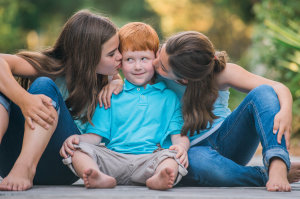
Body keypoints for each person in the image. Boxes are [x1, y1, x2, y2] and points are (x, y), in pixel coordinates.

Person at [150, 31, 300, 192]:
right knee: (197, 160)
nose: (154, 63)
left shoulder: (220, 72)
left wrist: (285, 111)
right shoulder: (153, 73)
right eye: (159, 52)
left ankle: (277, 163)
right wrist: (117, 80)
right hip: (189, 153)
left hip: (228, 141)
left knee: (263, 92)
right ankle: (263, 175)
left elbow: (278, 87)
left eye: (163, 67)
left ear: (185, 80)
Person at [0, 9, 123, 191]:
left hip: (64, 163)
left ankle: (25, 167)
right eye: (112, 54)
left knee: (43, 86)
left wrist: (117, 80)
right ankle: (22, 166)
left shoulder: (108, 79)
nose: (120, 56)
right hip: (10, 158)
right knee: (9, 90)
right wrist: (24, 100)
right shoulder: (51, 66)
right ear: (86, 57)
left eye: (119, 49)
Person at [59, 22, 189, 190]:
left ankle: (160, 178)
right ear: (120, 62)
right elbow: (95, 136)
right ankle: (95, 174)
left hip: (150, 159)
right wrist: (77, 140)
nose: (137, 66)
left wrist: (181, 147)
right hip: (113, 159)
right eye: (129, 59)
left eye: (144, 59)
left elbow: (178, 134)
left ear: (155, 58)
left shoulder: (169, 98)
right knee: (77, 150)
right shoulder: (110, 95)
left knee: (173, 158)